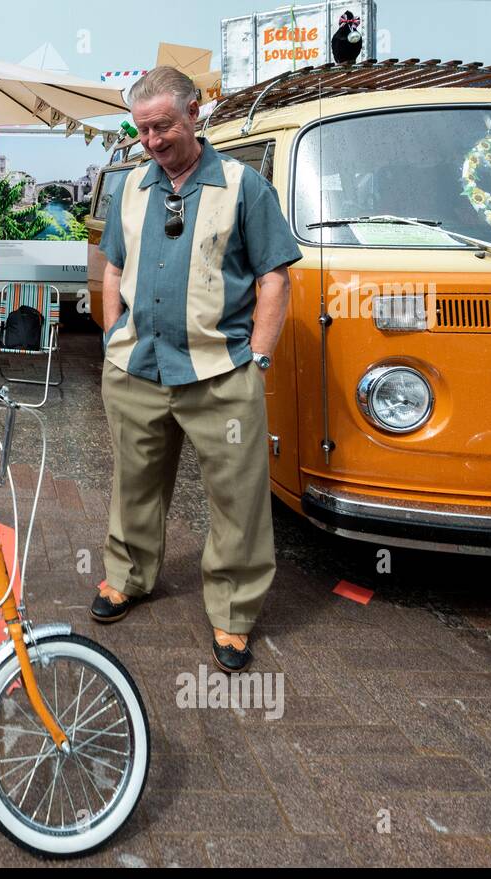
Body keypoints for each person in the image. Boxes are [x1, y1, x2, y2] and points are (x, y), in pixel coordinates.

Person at [92, 66, 301, 674]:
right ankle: (126, 577)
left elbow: (274, 277)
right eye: (143, 131)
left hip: (220, 374)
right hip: (136, 370)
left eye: (164, 127)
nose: (153, 141)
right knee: (134, 483)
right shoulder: (130, 187)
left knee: (238, 499)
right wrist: (111, 336)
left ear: (195, 112)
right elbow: (112, 267)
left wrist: (257, 358)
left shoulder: (244, 187)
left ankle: (234, 615)